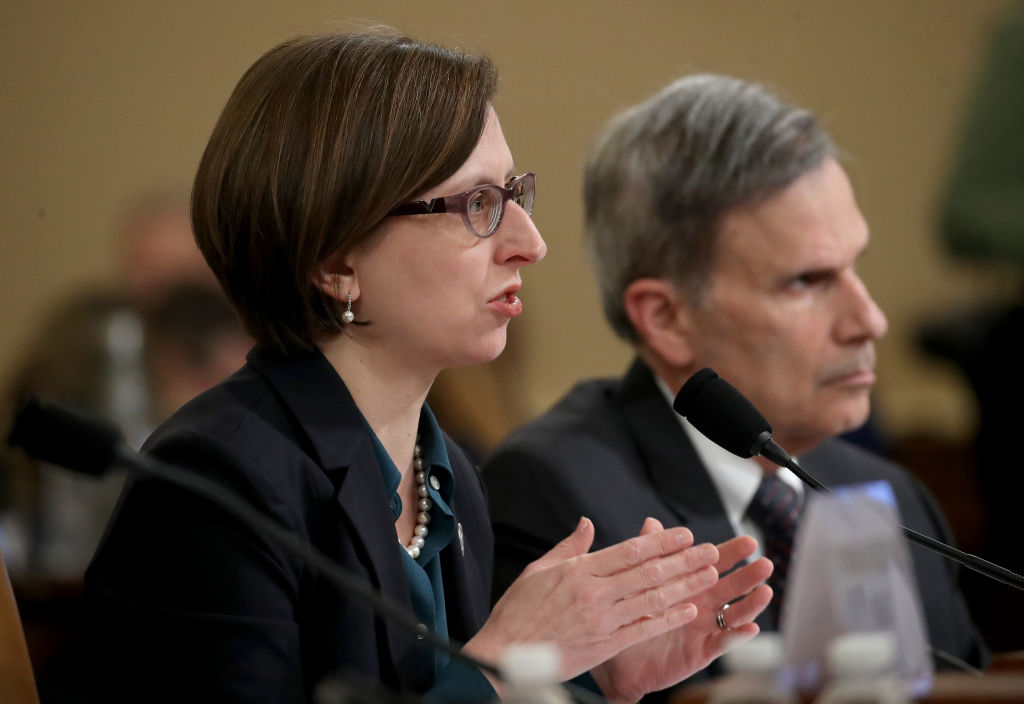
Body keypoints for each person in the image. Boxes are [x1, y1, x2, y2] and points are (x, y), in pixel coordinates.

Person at [84, 34, 773, 703]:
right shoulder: (217, 484)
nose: (529, 243)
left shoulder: (447, 479)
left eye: (512, 195)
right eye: (477, 205)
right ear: (336, 261)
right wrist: (500, 669)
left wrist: (588, 681)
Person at [482, 74, 988, 693]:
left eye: (854, 266)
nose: (869, 320)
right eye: (806, 282)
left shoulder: (890, 498)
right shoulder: (558, 499)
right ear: (667, 319)